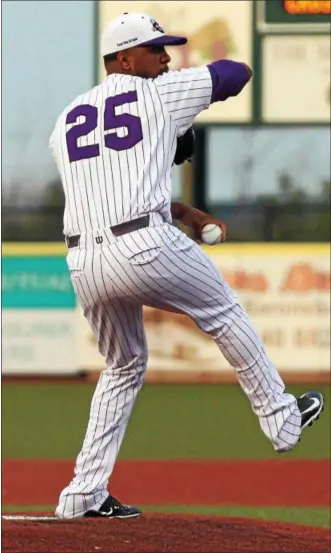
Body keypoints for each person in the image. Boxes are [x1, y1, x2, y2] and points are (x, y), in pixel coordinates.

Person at [49, 12, 324, 519]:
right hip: (144, 247)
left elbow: (108, 195)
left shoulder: (66, 118)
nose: (167, 58)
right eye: (157, 51)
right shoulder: (157, 92)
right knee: (223, 311)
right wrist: (183, 109)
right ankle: (282, 418)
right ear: (125, 59)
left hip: (84, 260)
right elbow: (235, 73)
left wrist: (181, 209)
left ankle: (82, 494)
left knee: (123, 366)